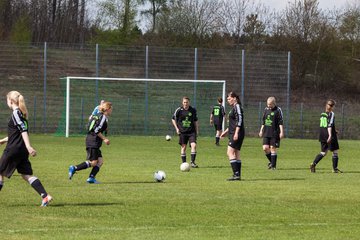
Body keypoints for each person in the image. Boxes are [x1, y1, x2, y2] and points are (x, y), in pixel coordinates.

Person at [0, 91, 52, 207]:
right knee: (26, 175)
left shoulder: (16, 113)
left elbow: (23, 131)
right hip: (21, 150)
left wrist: (29, 146)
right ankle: (45, 196)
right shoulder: (22, 114)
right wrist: (4, 140)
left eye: (7, 100)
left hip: (14, 149)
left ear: (11, 101)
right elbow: (17, 133)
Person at [69, 101, 112, 183]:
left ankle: (91, 178)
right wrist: (104, 138)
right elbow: (96, 129)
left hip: (92, 140)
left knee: (100, 161)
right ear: (108, 109)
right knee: (93, 162)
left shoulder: (99, 115)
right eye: (111, 109)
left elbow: (94, 121)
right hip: (93, 141)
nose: (111, 111)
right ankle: (74, 168)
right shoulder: (102, 117)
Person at [310, 99, 342, 173]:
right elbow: (329, 125)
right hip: (329, 135)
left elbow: (325, 125)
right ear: (332, 106)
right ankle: (335, 169)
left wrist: (334, 130)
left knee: (323, 152)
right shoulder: (331, 114)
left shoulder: (322, 114)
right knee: (335, 151)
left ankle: (313, 164)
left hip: (322, 134)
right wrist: (330, 134)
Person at [220, 91, 245, 181]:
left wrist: (236, 132)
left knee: (229, 152)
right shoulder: (233, 107)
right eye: (227, 99)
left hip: (236, 132)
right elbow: (233, 123)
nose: (228, 100)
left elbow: (239, 120)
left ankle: (236, 174)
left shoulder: (237, 106)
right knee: (236, 153)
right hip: (233, 132)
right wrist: (226, 131)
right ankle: (237, 175)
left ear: (235, 98)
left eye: (229, 99)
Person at [172, 96, 199, 168]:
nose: (185, 104)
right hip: (182, 132)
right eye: (184, 102)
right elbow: (173, 119)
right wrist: (177, 129)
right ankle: (184, 163)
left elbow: (195, 121)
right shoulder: (179, 110)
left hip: (191, 132)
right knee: (183, 147)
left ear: (189, 102)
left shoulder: (193, 110)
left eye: (187, 102)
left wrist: (197, 130)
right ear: (182, 102)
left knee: (194, 145)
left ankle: (192, 162)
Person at [258, 96, 284, 170]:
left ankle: (273, 166)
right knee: (265, 148)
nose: (268, 106)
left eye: (270, 104)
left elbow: (281, 122)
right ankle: (272, 162)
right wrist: (261, 130)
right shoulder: (266, 109)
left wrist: (281, 132)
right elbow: (264, 121)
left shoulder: (278, 110)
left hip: (274, 132)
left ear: (274, 103)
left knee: (272, 148)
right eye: (267, 104)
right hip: (266, 132)